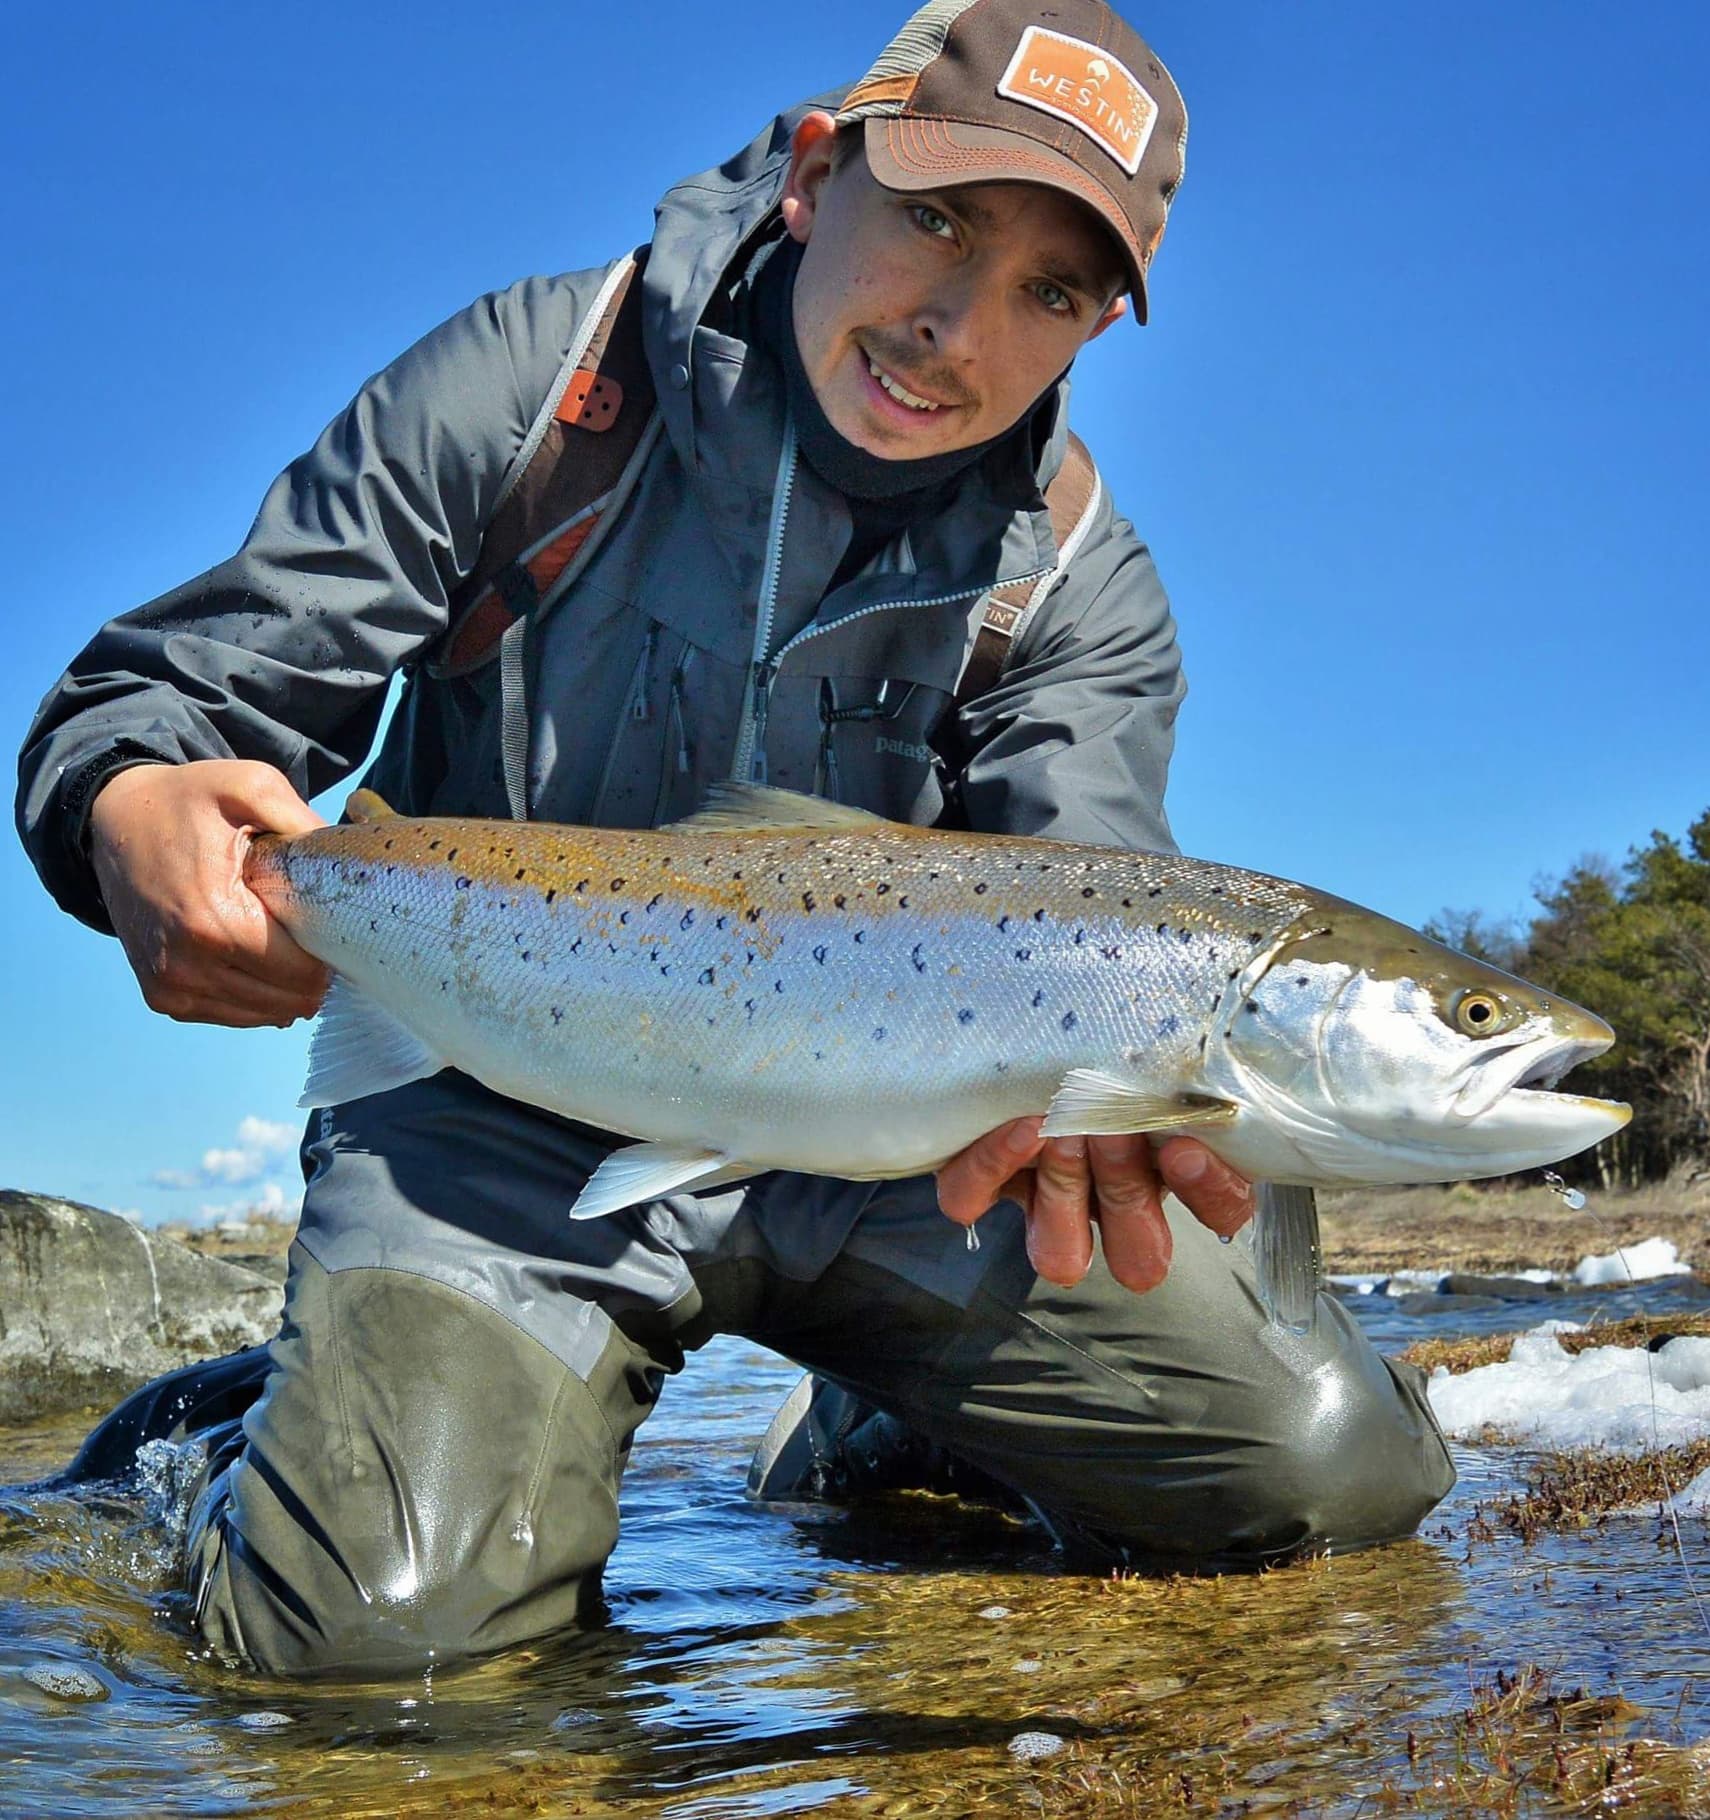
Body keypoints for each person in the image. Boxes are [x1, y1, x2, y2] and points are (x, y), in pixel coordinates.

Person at [17, 0, 1453, 1677]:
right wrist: (130, 802)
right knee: (378, 1659)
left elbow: (1101, 906)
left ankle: (882, 1422)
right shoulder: (534, 388)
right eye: (935, 222)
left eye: (1048, 292)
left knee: (1324, 1483)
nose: (953, 330)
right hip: (502, 1115)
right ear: (813, 176)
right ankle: (227, 1465)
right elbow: (165, 702)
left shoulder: (1078, 586)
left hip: (892, 1164)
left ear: (1092, 329)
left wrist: (1130, 1120)